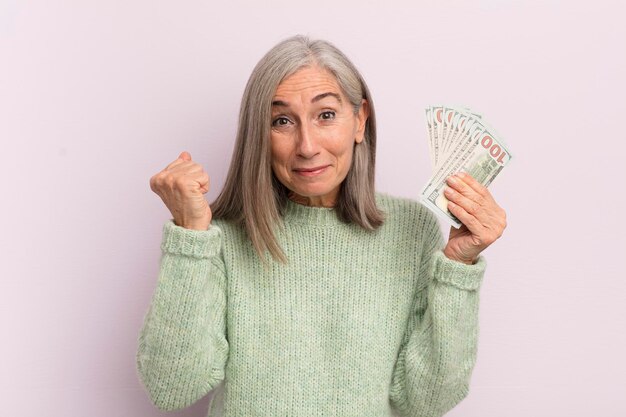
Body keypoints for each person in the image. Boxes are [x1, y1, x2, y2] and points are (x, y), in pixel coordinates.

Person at [136, 35, 506, 417]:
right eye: (281, 121)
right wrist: (191, 238)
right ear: (258, 137)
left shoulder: (411, 231)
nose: (307, 145)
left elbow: (426, 401)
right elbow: (172, 388)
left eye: (325, 115)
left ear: (359, 121)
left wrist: (458, 267)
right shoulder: (222, 237)